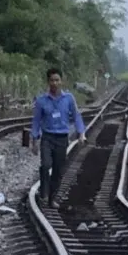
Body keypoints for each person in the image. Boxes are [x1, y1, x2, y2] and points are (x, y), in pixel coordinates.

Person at [30, 67, 86, 204]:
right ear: (48, 82)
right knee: (45, 165)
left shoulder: (69, 99)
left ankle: (52, 198)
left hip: (62, 138)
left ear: (61, 81)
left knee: (58, 170)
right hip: (47, 138)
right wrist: (34, 140)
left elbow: (76, 116)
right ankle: (43, 192)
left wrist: (81, 133)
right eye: (52, 80)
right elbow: (36, 121)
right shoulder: (42, 100)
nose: (54, 83)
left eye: (57, 80)